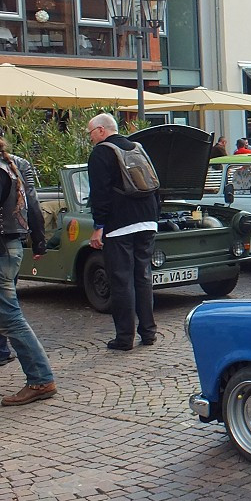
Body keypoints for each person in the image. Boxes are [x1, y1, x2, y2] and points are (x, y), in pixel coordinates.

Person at [0, 120, 56, 405]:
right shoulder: (8, 166)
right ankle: (40, 379)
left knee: (10, 320)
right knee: (7, 318)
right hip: (6, 251)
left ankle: (40, 379)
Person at [87, 113, 159, 350]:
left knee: (121, 280)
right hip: (147, 219)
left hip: (120, 224)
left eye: (90, 133)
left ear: (100, 130)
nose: (90, 138)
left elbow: (100, 194)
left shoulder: (101, 152)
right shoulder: (137, 147)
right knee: (143, 276)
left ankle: (124, 337)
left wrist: (99, 226)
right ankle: (148, 332)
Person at [0, 151, 47, 366]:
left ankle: (38, 374)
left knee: (6, 309)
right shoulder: (18, 163)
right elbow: (31, 201)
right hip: (12, 242)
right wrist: (39, 239)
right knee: (5, 303)